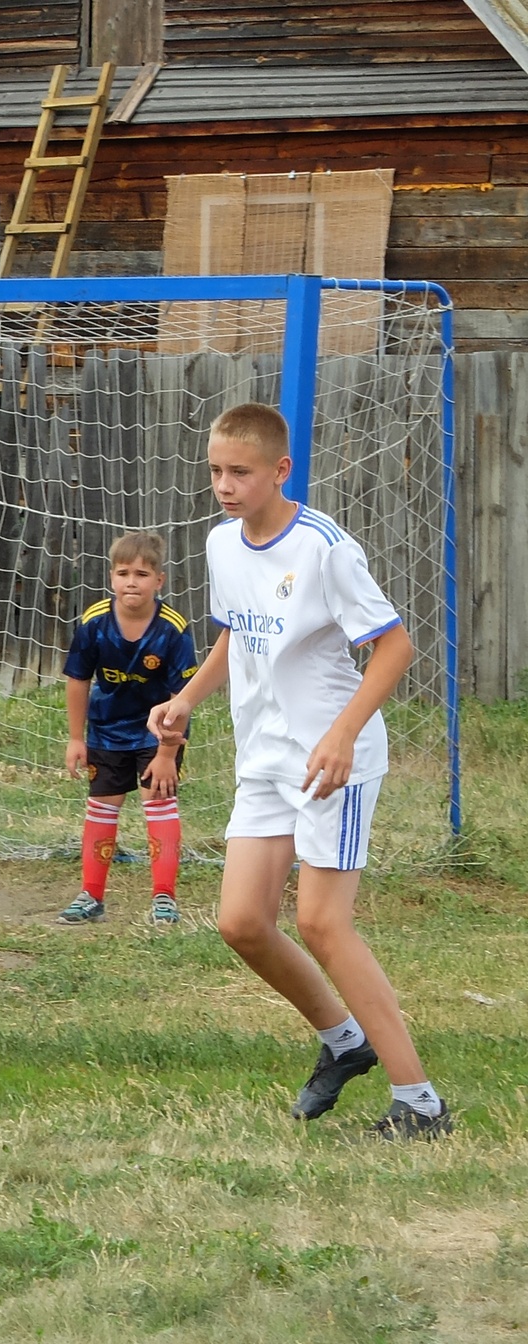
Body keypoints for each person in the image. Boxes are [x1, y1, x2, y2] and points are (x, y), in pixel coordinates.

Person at [148, 402, 451, 1139]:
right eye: (216, 471)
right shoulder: (222, 544)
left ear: (281, 470)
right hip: (267, 759)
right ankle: (344, 1041)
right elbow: (234, 636)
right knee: (243, 921)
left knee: (321, 920)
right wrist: (186, 697)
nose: (225, 485)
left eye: (240, 472)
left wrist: (344, 734)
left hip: (332, 761)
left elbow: (396, 647)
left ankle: (421, 1102)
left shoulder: (323, 548)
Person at [58, 531, 197, 925]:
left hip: (160, 733)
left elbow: (182, 695)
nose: (131, 581)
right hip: (106, 731)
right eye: (123, 573)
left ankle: (164, 899)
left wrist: (168, 753)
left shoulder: (173, 629)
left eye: (141, 573)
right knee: (102, 807)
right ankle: (91, 896)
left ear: (159, 581)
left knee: (158, 802)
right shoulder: (93, 623)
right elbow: (77, 680)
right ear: (111, 578)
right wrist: (75, 738)